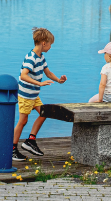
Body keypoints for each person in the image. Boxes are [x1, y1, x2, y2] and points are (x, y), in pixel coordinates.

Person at [13, 27, 67, 161]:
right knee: (23, 121)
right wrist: (39, 83)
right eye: (50, 44)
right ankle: (12, 149)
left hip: (33, 95)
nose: (50, 47)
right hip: (26, 95)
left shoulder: (41, 57)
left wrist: (58, 80)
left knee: (45, 113)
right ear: (44, 43)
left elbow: (48, 73)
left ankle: (30, 141)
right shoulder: (31, 58)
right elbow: (23, 75)